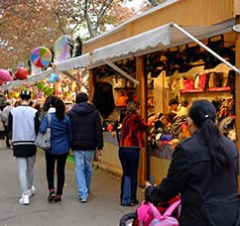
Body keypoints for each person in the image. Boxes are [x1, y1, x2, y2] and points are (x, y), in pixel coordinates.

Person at [145, 100, 240, 226]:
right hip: (231, 216)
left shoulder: (187, 149)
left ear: (190, 121)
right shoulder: (230, 146)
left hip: (199, 217)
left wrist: (151, 192)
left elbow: (172, 186)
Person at [67, 92, 103, 203]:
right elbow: (98, 130)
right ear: (87, 100)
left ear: (76, 101)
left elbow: (68, 131)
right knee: (88, 168)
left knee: (79, 168)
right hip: (90, 145)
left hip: (77, 146)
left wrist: (69, 144)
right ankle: (86, 188)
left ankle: (83, 194)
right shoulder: (95, 113)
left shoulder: (71, 114)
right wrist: (100, 146)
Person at [39, 96, 72, 203]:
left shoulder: (47, 117)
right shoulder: (65, 118)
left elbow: (42, 129)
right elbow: (70, 134)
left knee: (50, 169)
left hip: (50, 147)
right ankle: (59, 193)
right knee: (60, 170)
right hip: (63, 147)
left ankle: (51, 189)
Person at [8, 90, 40, 205]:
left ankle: (24, 194)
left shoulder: (13, 112)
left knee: (22, 168)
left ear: (20, 98)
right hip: (31, 142)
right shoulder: (34, 112)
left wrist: (11, 139)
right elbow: (38, 128)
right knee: (30, 168)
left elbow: (10, 128)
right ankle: (30, 188)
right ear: (30, 99)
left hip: (18, 142)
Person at [119, 100, 149, 206]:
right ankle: (132, 198)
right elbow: (146, 127)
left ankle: (124, 197)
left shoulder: (125, 118)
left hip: (122, 148)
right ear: (137, 109)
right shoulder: (136, 118)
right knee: (133, 174)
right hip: (132, 148)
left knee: (126, 173)